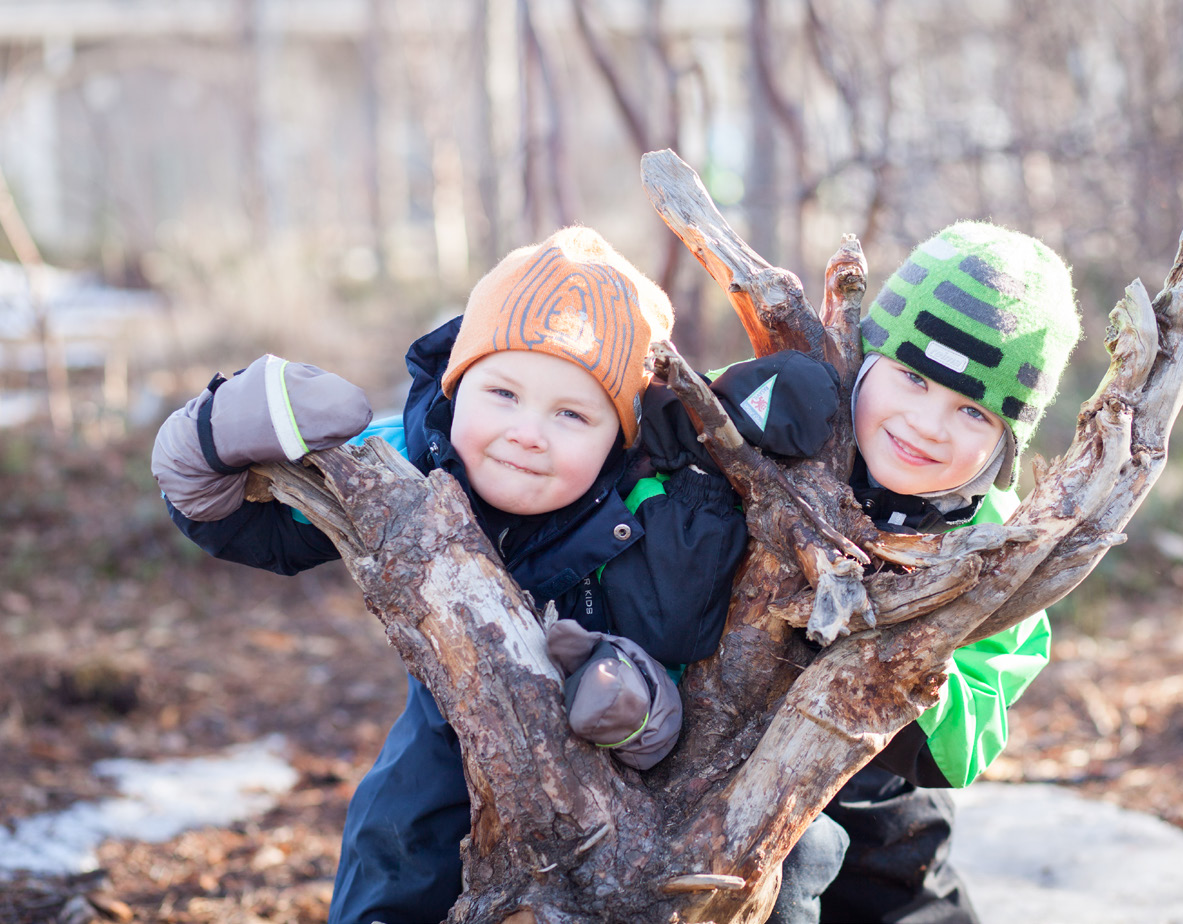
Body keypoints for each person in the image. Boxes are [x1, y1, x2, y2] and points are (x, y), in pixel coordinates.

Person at [150, 226, 782, 923]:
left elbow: (729, 651)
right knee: (403, 824)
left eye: (572, 413)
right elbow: (254, 525)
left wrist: (655, 712)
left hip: (625, 758)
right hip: (456, 717)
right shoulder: (415, 453)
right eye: (503, 394)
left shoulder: (663, 514)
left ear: (618, 437)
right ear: (458, 384)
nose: (527, 432)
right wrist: (205, 443)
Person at [744, 220, 1080, 924]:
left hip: (881, 803)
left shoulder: (997, 546)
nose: (926, 424)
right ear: (867, 356)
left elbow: (963, 748)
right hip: (730, 755)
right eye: (914, 376)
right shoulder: (789, 424)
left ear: (1005, 444)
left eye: (972, 411)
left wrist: (912, 651)